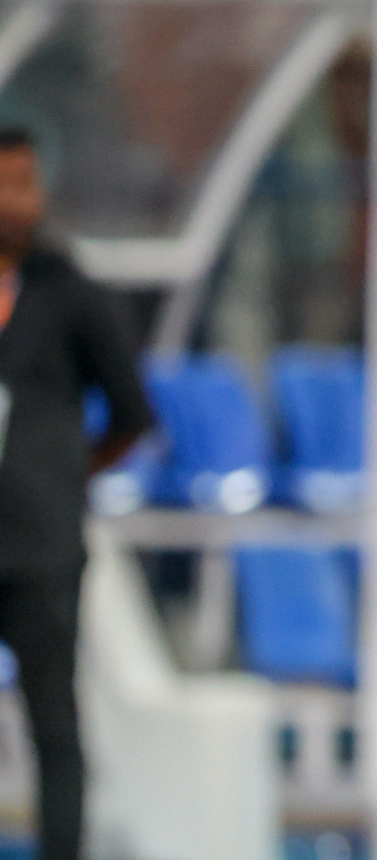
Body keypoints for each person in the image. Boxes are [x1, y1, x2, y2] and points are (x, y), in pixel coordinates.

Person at [0, 127, 154, 860]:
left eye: (23, 184)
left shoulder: (69, 294)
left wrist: (65, 472)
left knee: (54, 728)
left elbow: (132, 414)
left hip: (41, 548)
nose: (13, 202)